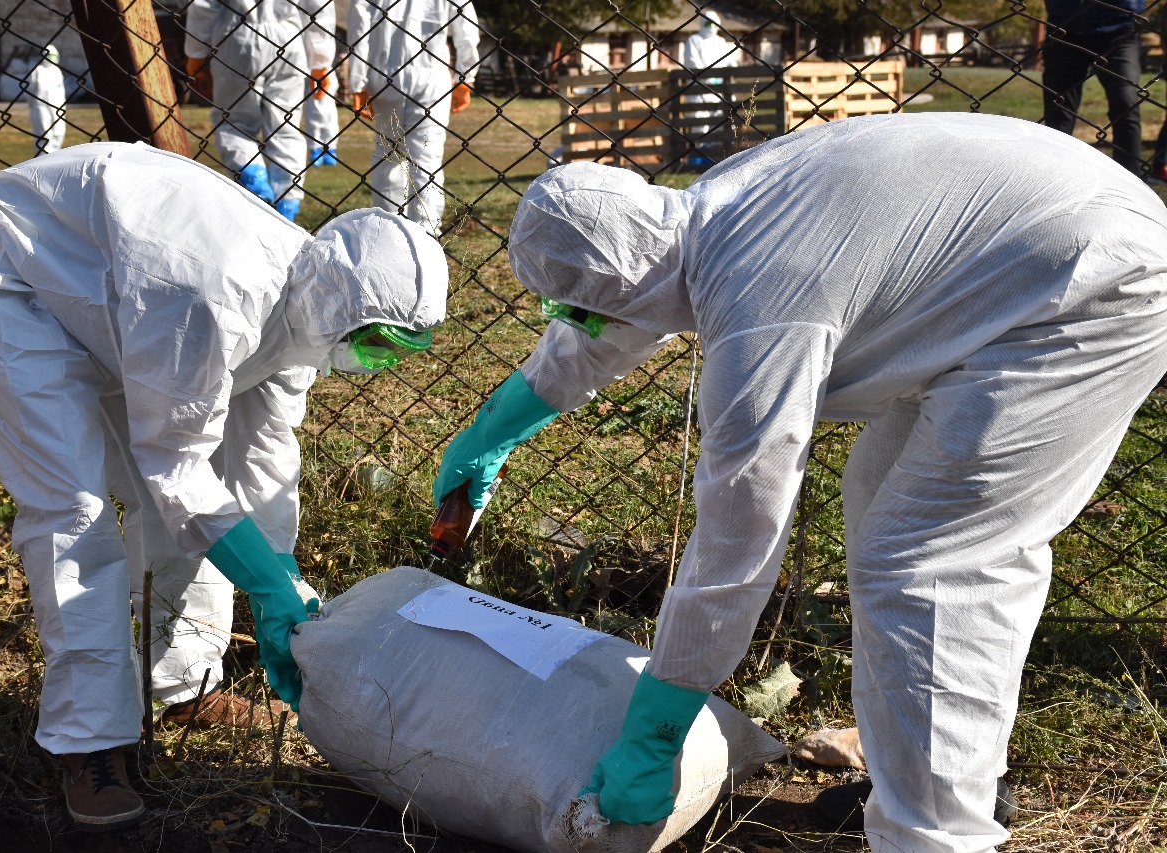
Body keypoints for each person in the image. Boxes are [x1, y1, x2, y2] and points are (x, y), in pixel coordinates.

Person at [433, 112, 1167, 851]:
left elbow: (738, 539)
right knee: (879, 500)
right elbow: (610, 314)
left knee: (926, 560)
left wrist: (656, 728)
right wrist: (489, 433)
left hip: (1091, 284)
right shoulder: (696, 222)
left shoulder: (757, 307)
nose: (584, 328)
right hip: (1041, 246)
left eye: (580, 312)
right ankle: (945, 777)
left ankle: (937, 835)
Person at [0, 142, 449, 832]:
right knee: (73, 508)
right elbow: (179, 467)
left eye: (399, 351)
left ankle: (177, 684)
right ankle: (91, 741)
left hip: (112, 294)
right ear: (341, 305)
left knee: (196, 503)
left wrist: (280, 578)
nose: (376, 362)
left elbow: (260, 460)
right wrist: (265, 584)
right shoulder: (218, 293)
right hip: (10, 275)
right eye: (378, 342)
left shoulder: (312, 309)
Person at [347, 0, 482, 237]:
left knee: (387, 155)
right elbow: (466, 26)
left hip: (384, 73)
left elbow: (359, 25)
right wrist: (465, 76)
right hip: (433, 73)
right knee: (427, 157)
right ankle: (427, 235)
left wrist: (357, 81)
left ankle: (386, 233)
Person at [183, 0, 327, 221]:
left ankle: (256, 188)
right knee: (285, 129)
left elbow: (204, 4)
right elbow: (317, 5)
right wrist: (320, 59)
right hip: (290, 37)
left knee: (235, 123)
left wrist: (196, 52)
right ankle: (286, 207)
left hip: (237, 34)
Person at [1042, 0, 1146, 176]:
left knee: (1126, 103)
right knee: (1058, 111)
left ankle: (1131, 181)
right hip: (1064, 25)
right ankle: (1054, 179)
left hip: (1119, 26)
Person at [681, 10, 733, 167]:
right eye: (708, 23)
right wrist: (707, 77)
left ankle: (717, 157)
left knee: (718, 122)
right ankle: (698, 157)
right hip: (699, 88)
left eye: (714, 23)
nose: (710, 27)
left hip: (719, 89)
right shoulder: (694, 40)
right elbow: (692, 61)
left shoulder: (721, 43)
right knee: (699, 121)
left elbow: (730, 62)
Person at [303, 9, 341, 168]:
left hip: (326, 71)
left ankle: (331, 149)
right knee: (312, 119)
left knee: (330, 120)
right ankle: (315, 149)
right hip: (309, 71)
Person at [25, 44, 67, 155]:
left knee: (58, 132)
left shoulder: (57, 71)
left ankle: (55, 157)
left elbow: (61, 91)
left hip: (58, 106)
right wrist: (32, 105)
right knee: (44, 133)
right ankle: (43, 159)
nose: (52, 58)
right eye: (50, 55)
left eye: (54, 55)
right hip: (40, 106)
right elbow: (30, 89)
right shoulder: (37, 70)